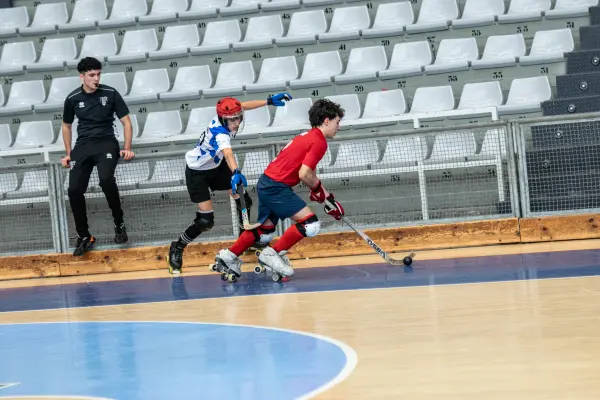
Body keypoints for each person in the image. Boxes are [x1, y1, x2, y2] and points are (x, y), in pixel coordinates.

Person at [213, 99, 346, 279]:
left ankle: (228, 256)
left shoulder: (306, 136)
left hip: (267, 182)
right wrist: (320, 192)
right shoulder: (319, 142)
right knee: (311, 224)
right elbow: (305, 174)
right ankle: (271, 254)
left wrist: (325, 196)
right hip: (276, 187)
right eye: (337, 122)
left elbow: (308, 172)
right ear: (326, 121)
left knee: (264, 231)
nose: (339, 126)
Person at [167, 93, 293, 275]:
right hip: (197, 172)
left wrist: (268, 101)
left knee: (243, 200)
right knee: (205, 221)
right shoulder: (220, 133)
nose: (235, 123)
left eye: (237, 119)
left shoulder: (228, 117)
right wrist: (235, 172)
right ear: (222, 119)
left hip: (216, 166)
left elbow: (245, 105)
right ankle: (177, 247)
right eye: (231, 120)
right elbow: (228, 154)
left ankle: (245, 240)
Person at [61, 56, 135, 257]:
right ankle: (85, 236)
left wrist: (127, 147)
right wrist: (69, 154)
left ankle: (119, 223)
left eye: (98, 74)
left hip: (106, 142)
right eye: (92, 75)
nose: (96, 78)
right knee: (74, 190)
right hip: (83, 146)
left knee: (105, 180)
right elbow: (66, 126)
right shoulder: (72, 98)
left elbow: (126, 122)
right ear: (82, 77)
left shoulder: (110, 93)